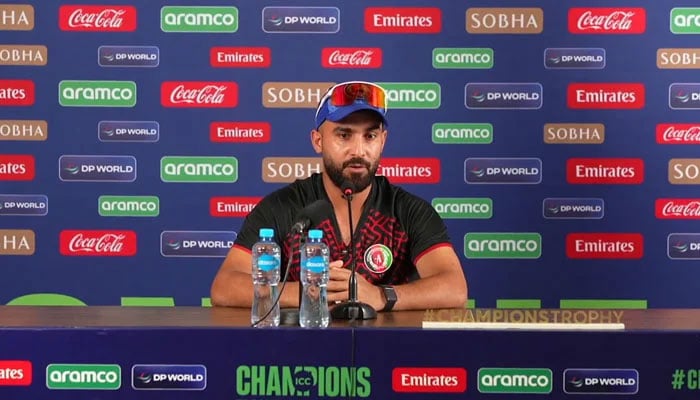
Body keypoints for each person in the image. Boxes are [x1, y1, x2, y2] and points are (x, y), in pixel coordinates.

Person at [210, 81, 468, 311]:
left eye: (370, 136)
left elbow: (454, 288)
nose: (358, 150)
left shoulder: (408, 210)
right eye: (344, 135)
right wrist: (308, 293)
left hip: (387, 355)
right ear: (318, 141)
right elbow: (224, 286)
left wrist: (381, 295)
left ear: (383, 141)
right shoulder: (282, 206)